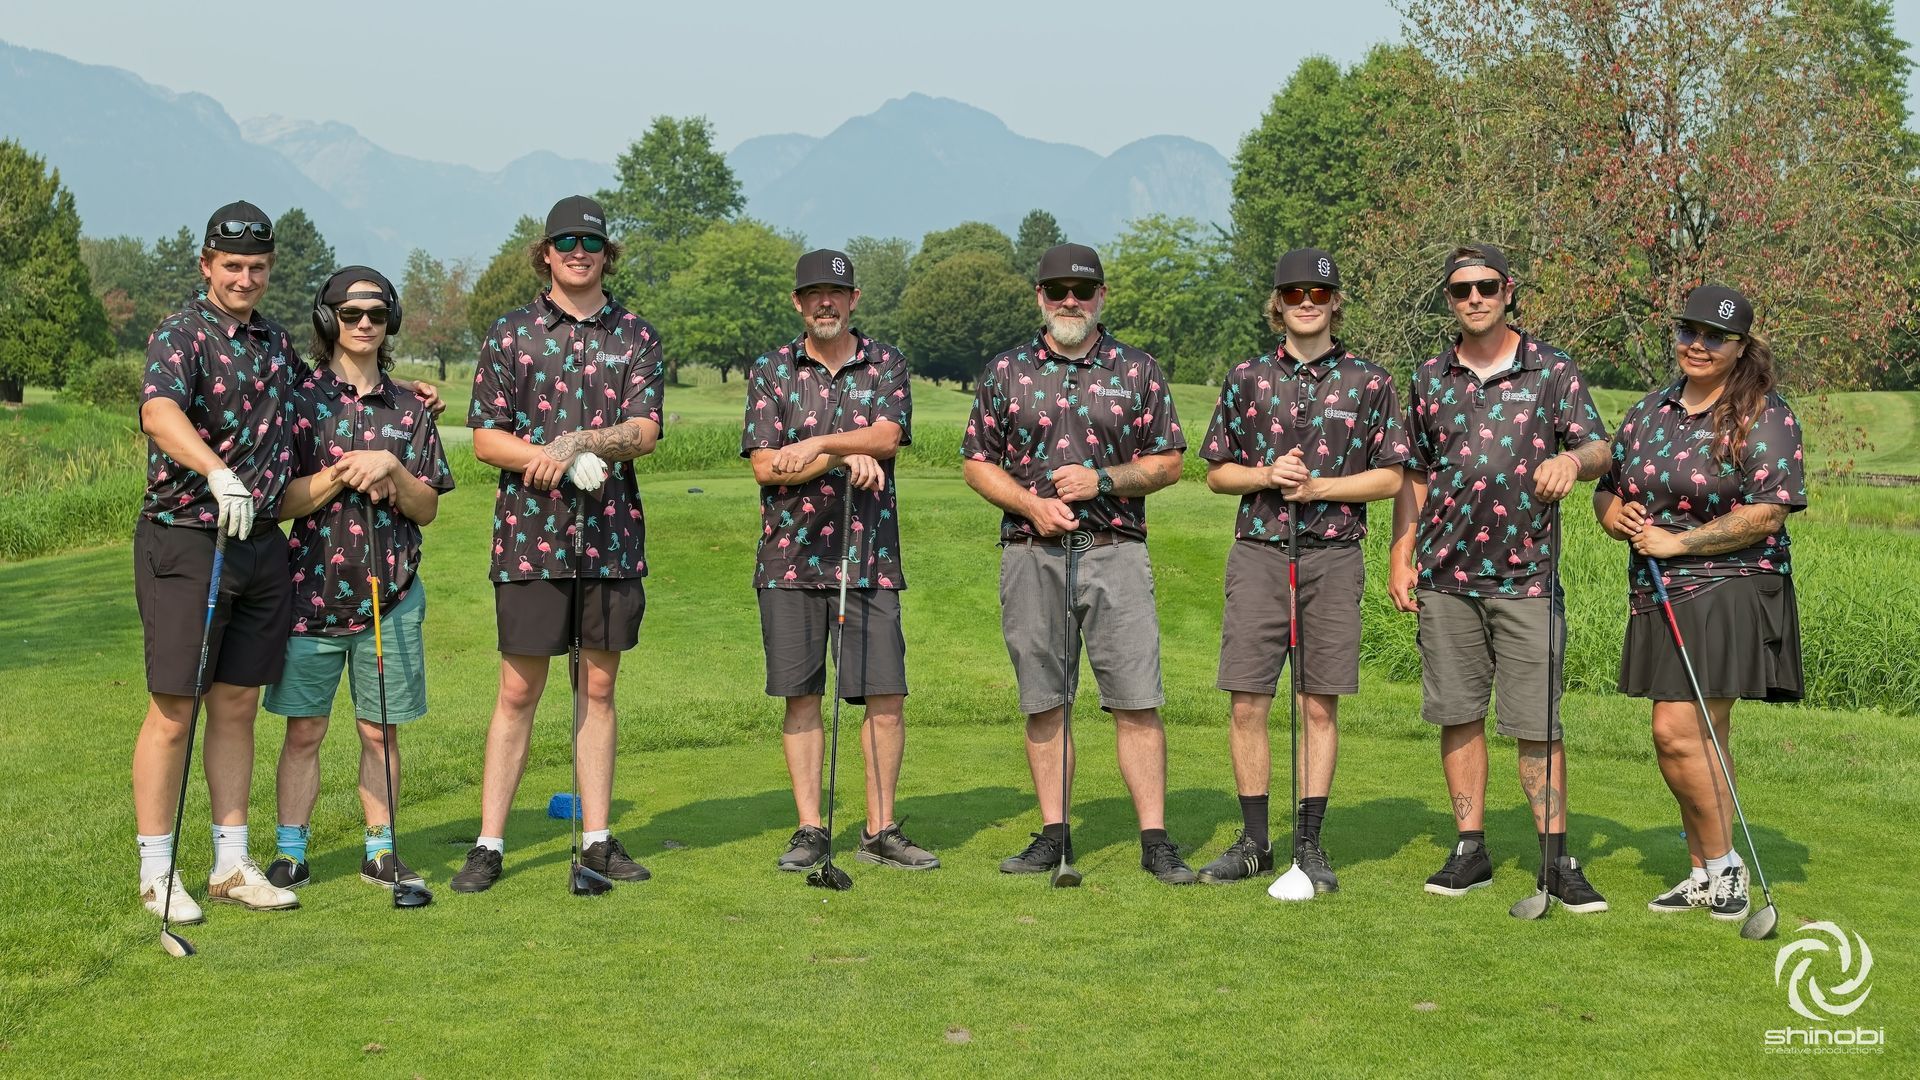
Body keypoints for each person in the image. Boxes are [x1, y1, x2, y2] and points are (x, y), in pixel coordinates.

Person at [1388, 243, 1613, 912]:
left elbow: (1601, 445)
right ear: (1450, 301)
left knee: (1536, 722)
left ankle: (1555, 859)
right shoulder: (1429, 377)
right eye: (1461, 291)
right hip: (1446, 575)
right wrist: (1401, 555)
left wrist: (1573, 463)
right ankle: (1470, 849)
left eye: (1486, 286)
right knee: (1458, 715)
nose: (1476, 298)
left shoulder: (1552, 371)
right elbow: (1416, 473)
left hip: (1527, 577)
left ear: (1509, 290)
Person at [962, 242, 1195, 884]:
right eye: (1058, 290)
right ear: (1040, 296)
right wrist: (1031, 506)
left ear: (1101, 298)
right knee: (1045, 701)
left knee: (1136, 699)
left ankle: (1154, 839)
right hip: (1031, 552)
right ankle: (1053, 833)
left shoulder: (1137, 369)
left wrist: (1103, 480)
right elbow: (976, 462)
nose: (1071, 301)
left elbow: (1170, 463)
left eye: (1083, 291)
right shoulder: (1004, 372)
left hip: (1115, 551)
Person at [452, 195, 666, 893]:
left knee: (597, 686)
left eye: (592, 243)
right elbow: (485, 435)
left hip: (609, 538)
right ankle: (489, 844)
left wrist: (579, 440)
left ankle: (598, 839)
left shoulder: (635, 335)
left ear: (608, 254)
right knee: (519, 689)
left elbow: (645, 430)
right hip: (529, 537)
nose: (579, 251)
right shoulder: (511, 333)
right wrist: (545, 456)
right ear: (545, 252)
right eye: (566, 241)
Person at [1193, 249, 1407, 889]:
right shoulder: (1246, 376)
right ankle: (1256, 841)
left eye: (1319, 291)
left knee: (1319, 704)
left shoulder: (1371, 380)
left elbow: (1392, 476)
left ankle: (1309, 843)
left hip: (1333, 555)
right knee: (1248, 700)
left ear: (1335, 300)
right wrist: (1265, 475)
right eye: (1294, 293)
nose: (1306, 302)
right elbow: (1215, 472)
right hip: (1259, 552)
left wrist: (1318, 489)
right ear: (1278, 302)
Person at [1592, 284, 1805, 921]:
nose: (1698, 345)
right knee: (1699, 737)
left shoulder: (1763, 413)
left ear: (1741, 347)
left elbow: (1768, 512)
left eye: (1715, 336)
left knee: (1679, 730)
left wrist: (1678, 542)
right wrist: (1617, 516)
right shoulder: (1648, 411)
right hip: (1659, 588)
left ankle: (1724, 867)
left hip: (1732, 585)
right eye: (1689, 331)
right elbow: (1607, 491)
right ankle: (1704, 870)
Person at [132, 201, 305, 920]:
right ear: (207, 265)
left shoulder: (276, 341)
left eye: (257, 267)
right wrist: (215, 470)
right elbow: (159, 412)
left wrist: (403, 398)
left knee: (235, 705)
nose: (244, 278)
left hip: (261, 541)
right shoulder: (182, 333)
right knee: (176, 709)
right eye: (231, 266)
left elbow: (316, 402)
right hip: (188, 536)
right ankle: (155, 872)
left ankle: (232, 862)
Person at [743, 249, 938, 873]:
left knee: (884, 695)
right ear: (798, 302)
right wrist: (836, 460)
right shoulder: (773, 369)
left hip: (869, 557)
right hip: (789, 557)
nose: (826, 302)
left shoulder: (887, 362)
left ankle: (880, 829)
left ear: (854, 299)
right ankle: (810, 829)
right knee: (800, 697)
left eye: (837, 292)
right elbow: (765, 465)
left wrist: (821, 443)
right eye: (814, 293)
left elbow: (886, 437)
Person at [263, 266, 454, 893]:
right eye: (351, 314)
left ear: (390, 320)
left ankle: (381, 850)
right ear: (329, 322)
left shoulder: (412, 407)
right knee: (306, 729)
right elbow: (281, 502)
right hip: (309, 593)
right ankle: (291, 851)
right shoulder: (298, 401)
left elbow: (426, 508)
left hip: (390, 596)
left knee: (379, 730)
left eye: (375, 314)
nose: (364, 324)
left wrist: (391, 468)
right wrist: (344, 473)